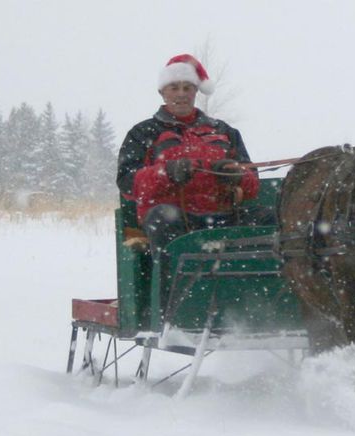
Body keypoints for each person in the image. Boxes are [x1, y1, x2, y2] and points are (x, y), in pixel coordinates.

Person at [116, 53, 275, 318]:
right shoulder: (143, 133)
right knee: (163, 219)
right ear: (162, 92)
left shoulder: (224, 132)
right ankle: (175, 313)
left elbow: (252, 183)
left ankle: (264, 304)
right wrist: (165, 173)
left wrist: (235, 176)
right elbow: (127, 182)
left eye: (187, 88)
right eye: (174, 88)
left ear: (196, 91)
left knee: (270, 220)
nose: (181, 94)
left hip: (225, 216)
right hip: (174, 217)